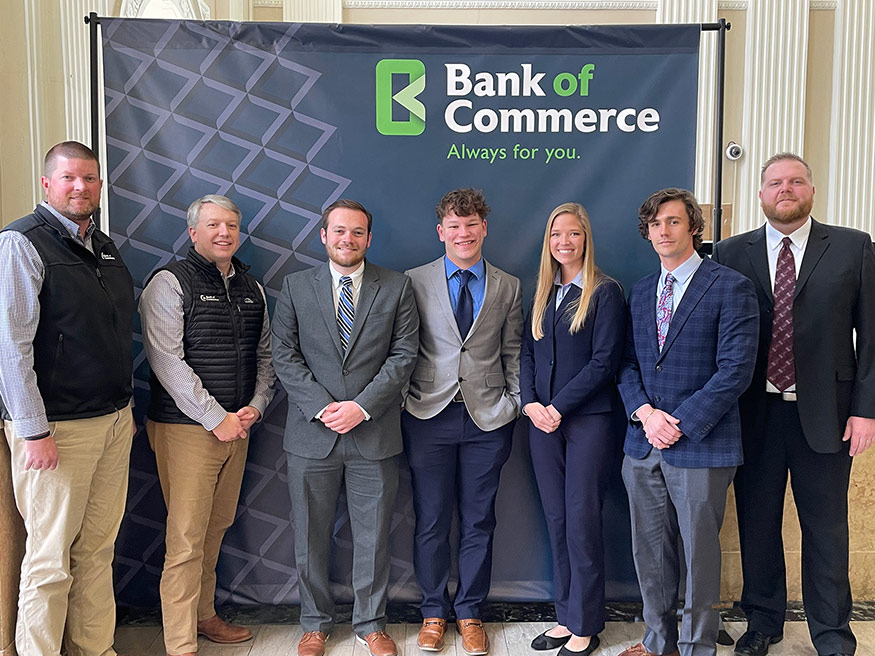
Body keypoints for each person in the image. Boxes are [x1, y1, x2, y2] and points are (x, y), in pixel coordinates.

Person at [712, 153, 875, 656]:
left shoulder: (854, 247)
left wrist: (866, 409)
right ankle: (763, 622)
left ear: (811, 190)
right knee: (758, 523)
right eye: (776, 182)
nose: (786, 189)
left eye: (796, 181)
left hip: (828, 415)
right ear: (761, 194)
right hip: (752, 414)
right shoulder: (728, 253)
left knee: (826, 529)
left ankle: (832, 633)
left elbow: (871, 336)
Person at [0, 141, 135, 656]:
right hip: (57, 431)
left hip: (113, 420)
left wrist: (123, 412)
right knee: (50, 559)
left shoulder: (102, 245)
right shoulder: (22, 242)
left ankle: (95, 649)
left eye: (91, 179)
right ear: (47, 183)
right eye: (70, 178)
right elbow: (9, 346)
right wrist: (32, 429)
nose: (81, 187)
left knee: (97, 553)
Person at [271, 199, 419, 656]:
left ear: (368, 239)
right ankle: (314, 623)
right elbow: (284, 355)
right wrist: (322, 406)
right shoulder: (296, 287)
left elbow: (403, 354)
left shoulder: (396, 287)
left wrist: (361, 407)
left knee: (373, 537)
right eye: (339, 231)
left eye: (357, 232)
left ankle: (371, 624)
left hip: (373, 433)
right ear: (323, 235)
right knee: (310, 535)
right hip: (311, 435)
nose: (347, 240)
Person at [616, 188, 759, 656]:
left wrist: (677, 422)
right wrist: (645, 414)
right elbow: (627, 364)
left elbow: (736, 369)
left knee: (699, 555)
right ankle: (658, 641)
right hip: (643, 444)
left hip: (701, 443)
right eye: (655, 224)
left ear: (693, 227)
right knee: (650, 553)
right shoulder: (640, 291)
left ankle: (698, 645)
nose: (663, 231)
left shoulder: (730, 286)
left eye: (673, 222)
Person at [140, 194, 276, 656]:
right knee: (185, 537)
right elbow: (167, 362)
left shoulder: (251, 287)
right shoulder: (169, 282)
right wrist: (215, 418)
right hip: (186, 429)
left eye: (232, 226)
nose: (225, 233)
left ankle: (204, 616)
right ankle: (180, 642)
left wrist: (254, 407)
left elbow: (265, 356)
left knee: (214, 528)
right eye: (214, 225)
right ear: (194, 232)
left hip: (238, 428)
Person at [403, 188, 523, 656]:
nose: (463, 233)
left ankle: (470, 612)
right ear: (441, 232)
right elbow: (403, 348)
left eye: (471, 224)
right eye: (454, 226)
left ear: (484, 228)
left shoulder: (508, 286)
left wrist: (512, 403)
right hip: (426, 414)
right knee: (430, 519)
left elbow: (513, 351)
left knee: (479, 521)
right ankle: (434, 612)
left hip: (488, 419)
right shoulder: (414, 280)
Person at [520, 203, 626, 656]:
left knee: (582, 521)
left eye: (573, 234)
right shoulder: (544, 292)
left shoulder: (605, 292)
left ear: (586, 238)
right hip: (542, 424)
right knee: (557, 521)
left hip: (588, 423)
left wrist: (557, 407)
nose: (564, 242)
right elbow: (525, 353)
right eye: (555, 234)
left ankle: (586, 624)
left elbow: (605, 362)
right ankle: (566, 616)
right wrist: (530, 404)